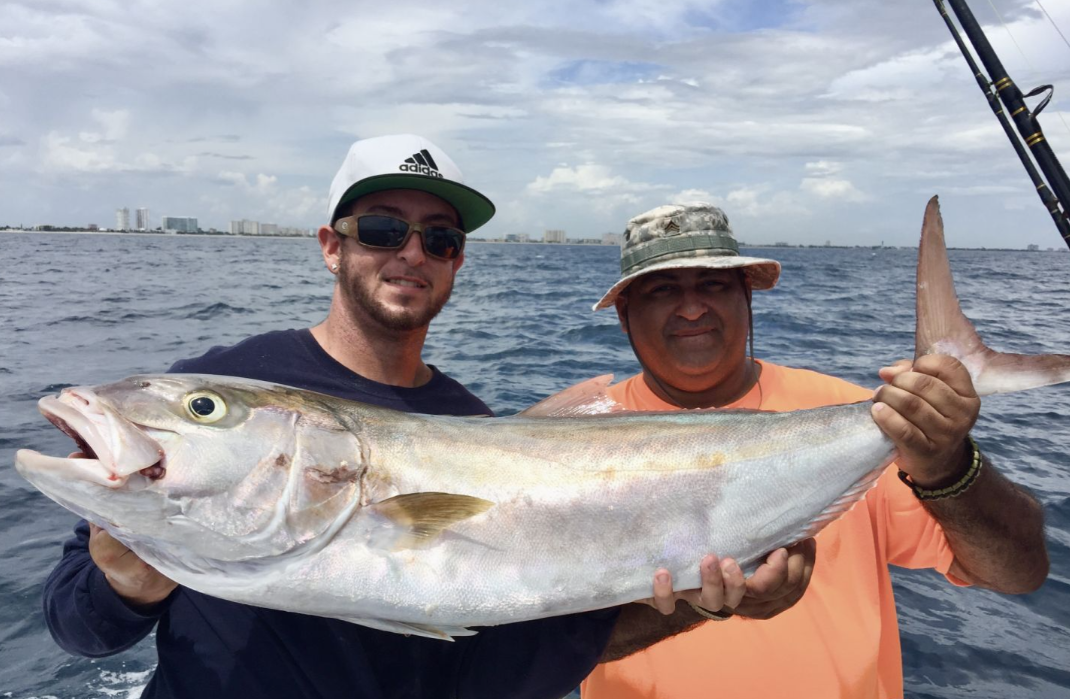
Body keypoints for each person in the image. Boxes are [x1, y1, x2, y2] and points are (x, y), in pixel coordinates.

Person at [41, 137, 805, 698]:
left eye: (438, 237)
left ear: (457, 261)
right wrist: (126, 582)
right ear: (329, 246)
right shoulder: (241, 376)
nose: (411, 253)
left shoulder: (469, 419)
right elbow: (78, 628)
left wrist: (696, 609)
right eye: (380, 229)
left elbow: (490, 669)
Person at [579, 203, 1049, 699]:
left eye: (713, 284)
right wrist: (699, 606)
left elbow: (1017, 573)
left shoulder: (854, 413)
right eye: (663, 289)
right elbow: (535, 641)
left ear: (747, 297)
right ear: (625, 312)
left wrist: (949, 467)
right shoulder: (572, 444)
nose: (692, 308)